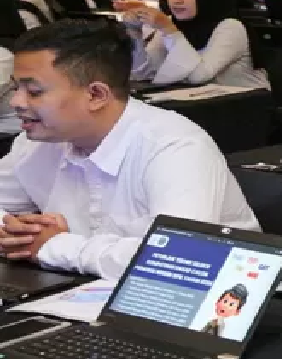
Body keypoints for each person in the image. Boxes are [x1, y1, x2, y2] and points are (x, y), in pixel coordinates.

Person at [0, 19, 259, 279]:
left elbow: (177, 257)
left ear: (96, 95)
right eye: (15, 87)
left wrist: (57, 246)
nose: (16, 102)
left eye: (34, 91)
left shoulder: (174, 146)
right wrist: (15, 232)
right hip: (83, 288)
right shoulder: (37, 143)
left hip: (208, 293)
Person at [124, 0, 268, 89]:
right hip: (199, 103)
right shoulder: (170, 23)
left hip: (247, 103)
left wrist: (170, 31)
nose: (177, 0)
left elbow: (198, 76)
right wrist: (134, 32)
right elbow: (143, 74)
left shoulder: (231, 27)